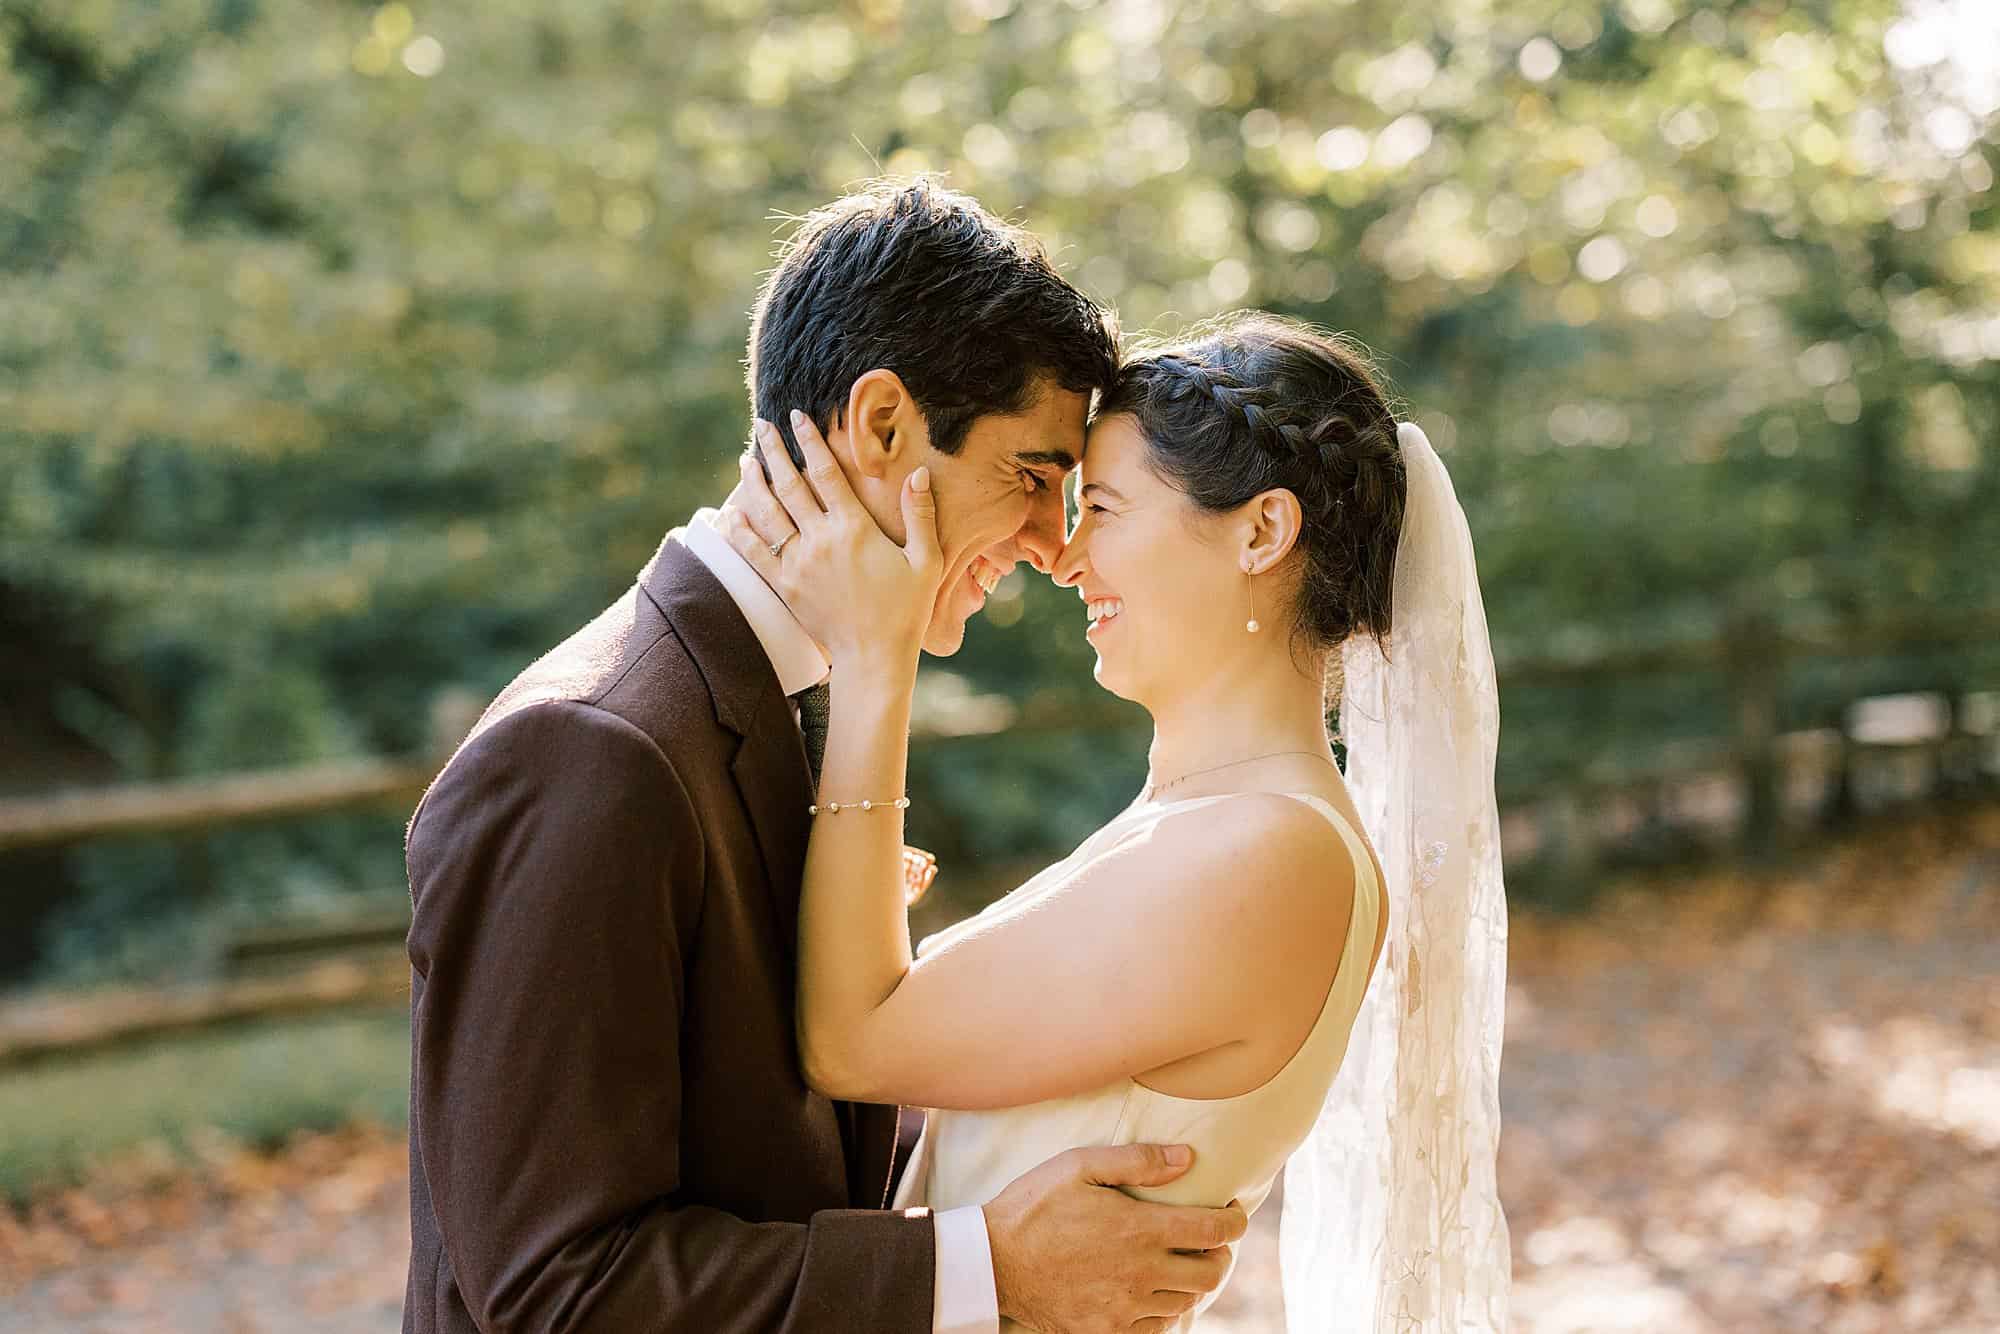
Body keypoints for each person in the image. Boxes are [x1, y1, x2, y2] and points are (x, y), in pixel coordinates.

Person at [400, 180, 1248, 1334]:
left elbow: (780, 1141)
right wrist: (980, 1268)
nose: (1057, 546)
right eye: (1032, 475)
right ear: (885, 423)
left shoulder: (796, 697)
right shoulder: (590, 750)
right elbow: (558, 1290)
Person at [724, 311, 1512, 1332]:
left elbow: (852, 1040)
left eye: (1099, 505)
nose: (1061, 553)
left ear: (1260, 532)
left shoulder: (1269, 854)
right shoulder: (1209, 819)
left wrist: (878, 653)